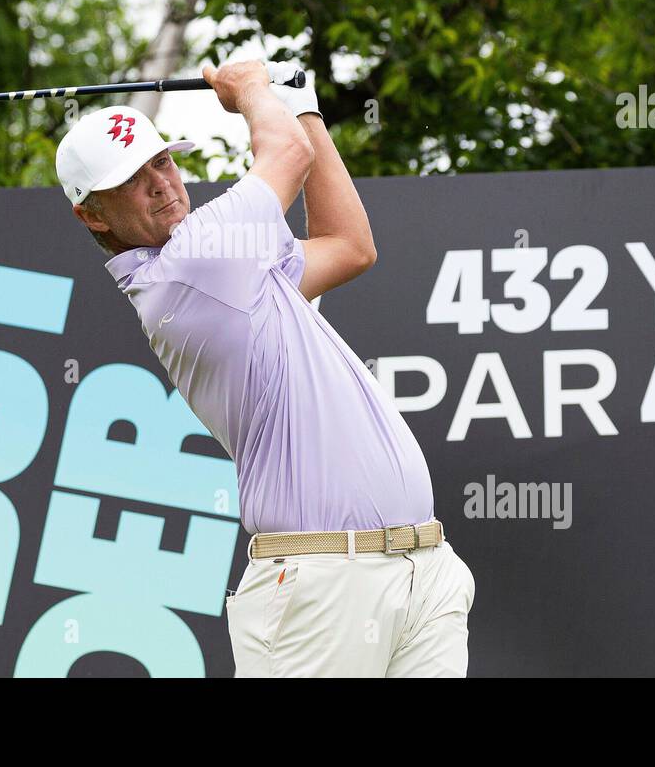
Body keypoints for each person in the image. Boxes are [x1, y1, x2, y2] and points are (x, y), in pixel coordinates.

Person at [54, 59, 475, 677]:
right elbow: (285, 154)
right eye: (132, 179)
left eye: (162, 161)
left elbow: (350, 246)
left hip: (421, 566)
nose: (163, 184)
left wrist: (302, 104)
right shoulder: (192, 265)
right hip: (319, 585)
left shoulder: (227, 264)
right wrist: (253, 87)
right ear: (93, 215)